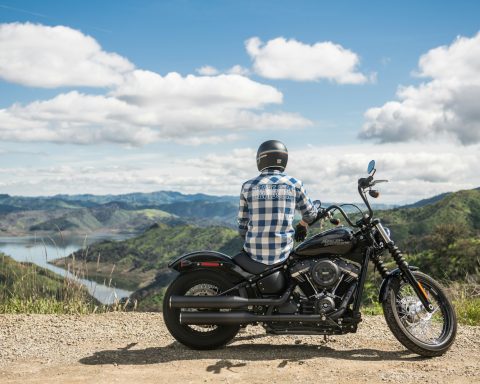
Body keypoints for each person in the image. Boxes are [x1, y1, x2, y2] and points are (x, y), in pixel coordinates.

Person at [237, 140, 318, 265]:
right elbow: (311, 215)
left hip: (253, 255)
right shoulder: (295, 184)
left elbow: (243, 226)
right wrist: (302, 224)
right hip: (284, 255)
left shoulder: (248, 186)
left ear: (261, 158)